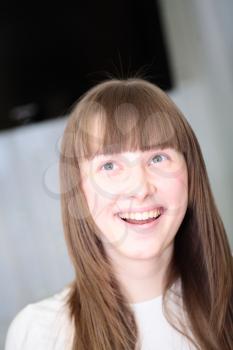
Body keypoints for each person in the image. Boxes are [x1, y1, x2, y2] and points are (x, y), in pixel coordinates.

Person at [5, 77, 233, 350]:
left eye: (157, 158)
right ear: (79, 190)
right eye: (110, 165)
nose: (140, 188)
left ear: (191, 172)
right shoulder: (38, 334)